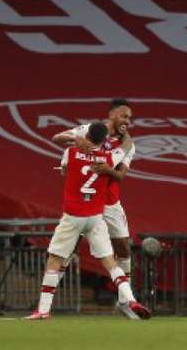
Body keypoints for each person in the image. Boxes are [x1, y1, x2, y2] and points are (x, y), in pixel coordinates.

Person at [25, 122, 150, 320]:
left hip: (73, 217)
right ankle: (130, 299)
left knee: (55, 259)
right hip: (95, 218)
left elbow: (64, 170)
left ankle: (43, 310)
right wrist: (125, 133)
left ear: (87, 135)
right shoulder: (108, 157)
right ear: (104, 140)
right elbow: (125, 148)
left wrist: (76, 145)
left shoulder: (71, 152)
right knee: (110, 263)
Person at [51, 99, 136, 280]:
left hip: (110, 202)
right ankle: (50, 290)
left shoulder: (128, 145)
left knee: (122, 245)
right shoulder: (88, 130)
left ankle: (126, 296)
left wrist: (108, 170)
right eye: (124, 116)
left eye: (129, 118)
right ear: (111, 115)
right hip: (86, 201)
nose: (127, 121)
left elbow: (120, 176)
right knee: (70, 246)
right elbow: (56, 138)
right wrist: (77, 139)